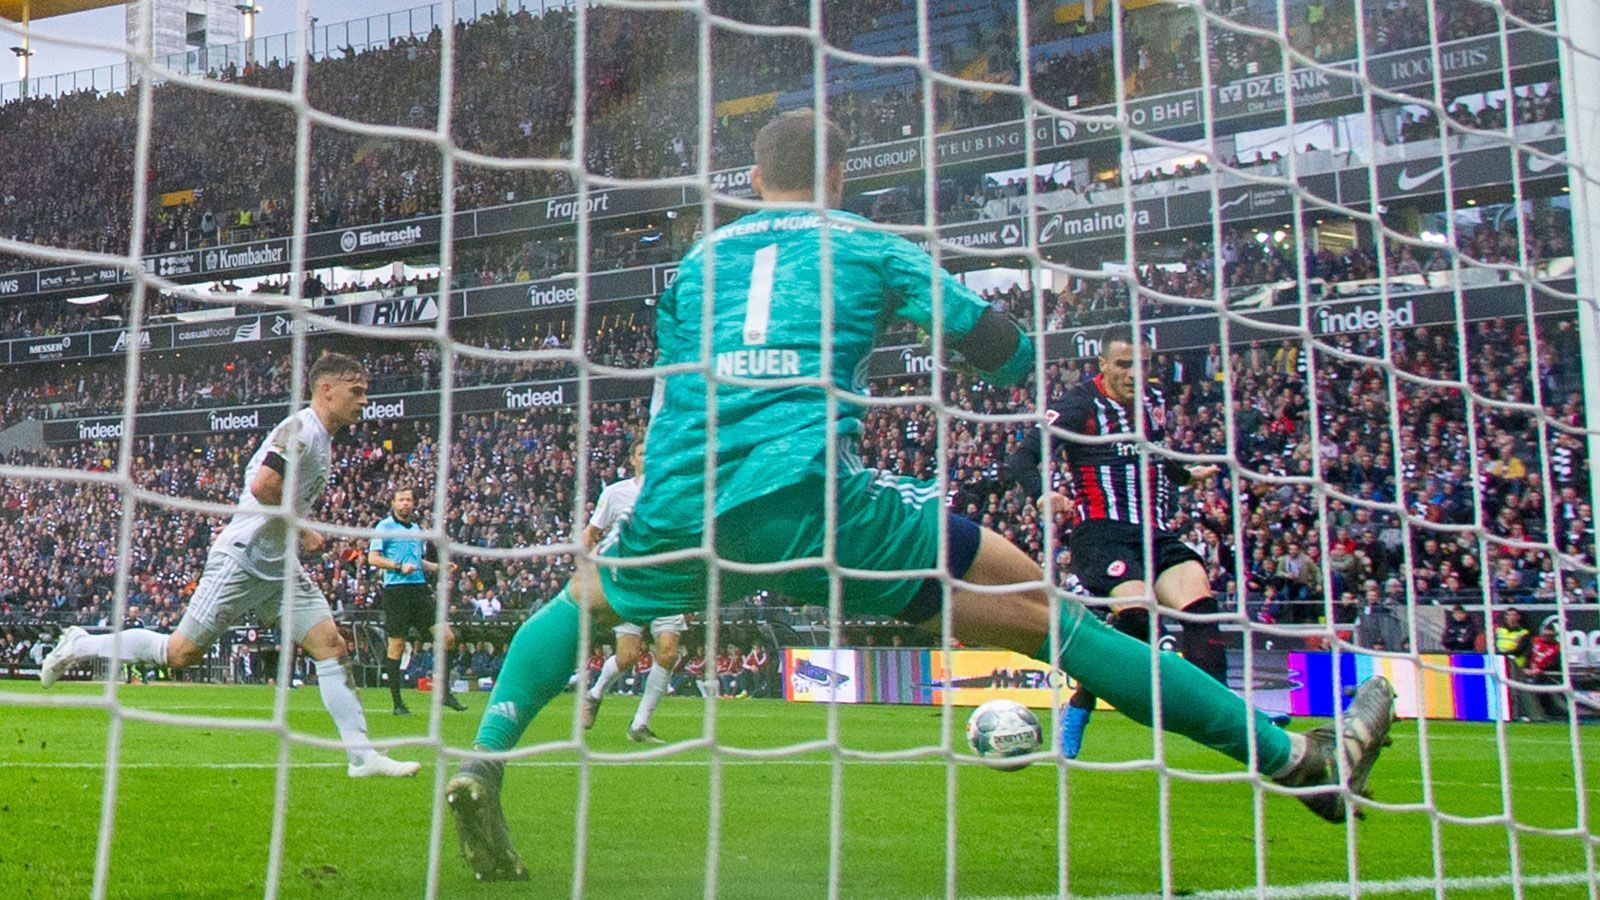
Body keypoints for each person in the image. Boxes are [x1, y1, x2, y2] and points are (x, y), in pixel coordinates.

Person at [443, 110, 1394, 882]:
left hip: (686, 492)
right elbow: (997, 348)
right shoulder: (864, 242)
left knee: (584, 602)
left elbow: (675, 365)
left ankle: (486, 755)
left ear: (754, 175)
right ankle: (1300, 767)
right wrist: (1025, 336)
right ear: (840, 175)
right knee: (1045, 614)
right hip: (819, 496)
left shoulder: (699, 263)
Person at [41, 352, 419, 778]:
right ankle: (79, 644)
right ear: (326, 389)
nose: (364, 401)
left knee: (331, 646)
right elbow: (263, 486)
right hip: (243, 557)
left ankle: (361, 756)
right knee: (178, 654)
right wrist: (301, 529)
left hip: (278, 568)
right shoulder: (300, 429)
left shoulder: (323, 438)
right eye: (357, 391)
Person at [1003, 327, 1287, 758]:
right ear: (1102, 365)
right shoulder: (1079, 405)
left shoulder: (1153, 402)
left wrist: (1183, 475)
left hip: (1154, 533)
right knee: (1139, 622)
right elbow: (1022, 457)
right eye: (1124, 364)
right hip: (1102, 534)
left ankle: (1236, 720)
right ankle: (1081, 704)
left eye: (1143, 365)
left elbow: (1152, 449)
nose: (1135, 374)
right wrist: (1043, 491)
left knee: (1202, 612)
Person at [579, 440, 685, 743]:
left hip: (665, 582)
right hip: (627, 583)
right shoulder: (615, 493)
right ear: (632, 460)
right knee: (627, 657)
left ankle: (639, 725)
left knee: (667, 651)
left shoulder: (671, 492)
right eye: (641, 453)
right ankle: (595, 693)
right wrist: (587, 567)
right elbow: (591, 533)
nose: (647, 457)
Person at [368, 485, 468, 716]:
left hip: (419, 590)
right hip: (396, 591)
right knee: (397, 645)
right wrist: (397, 566)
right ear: (393, 503)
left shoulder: (415, 529)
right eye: (401, 500)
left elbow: (418, 561)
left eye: (409, 500)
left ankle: (443, 692)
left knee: (448, 637)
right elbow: (373, 558)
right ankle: (397, 703)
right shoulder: (384, 527)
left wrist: (438, 567)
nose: (405, 504)